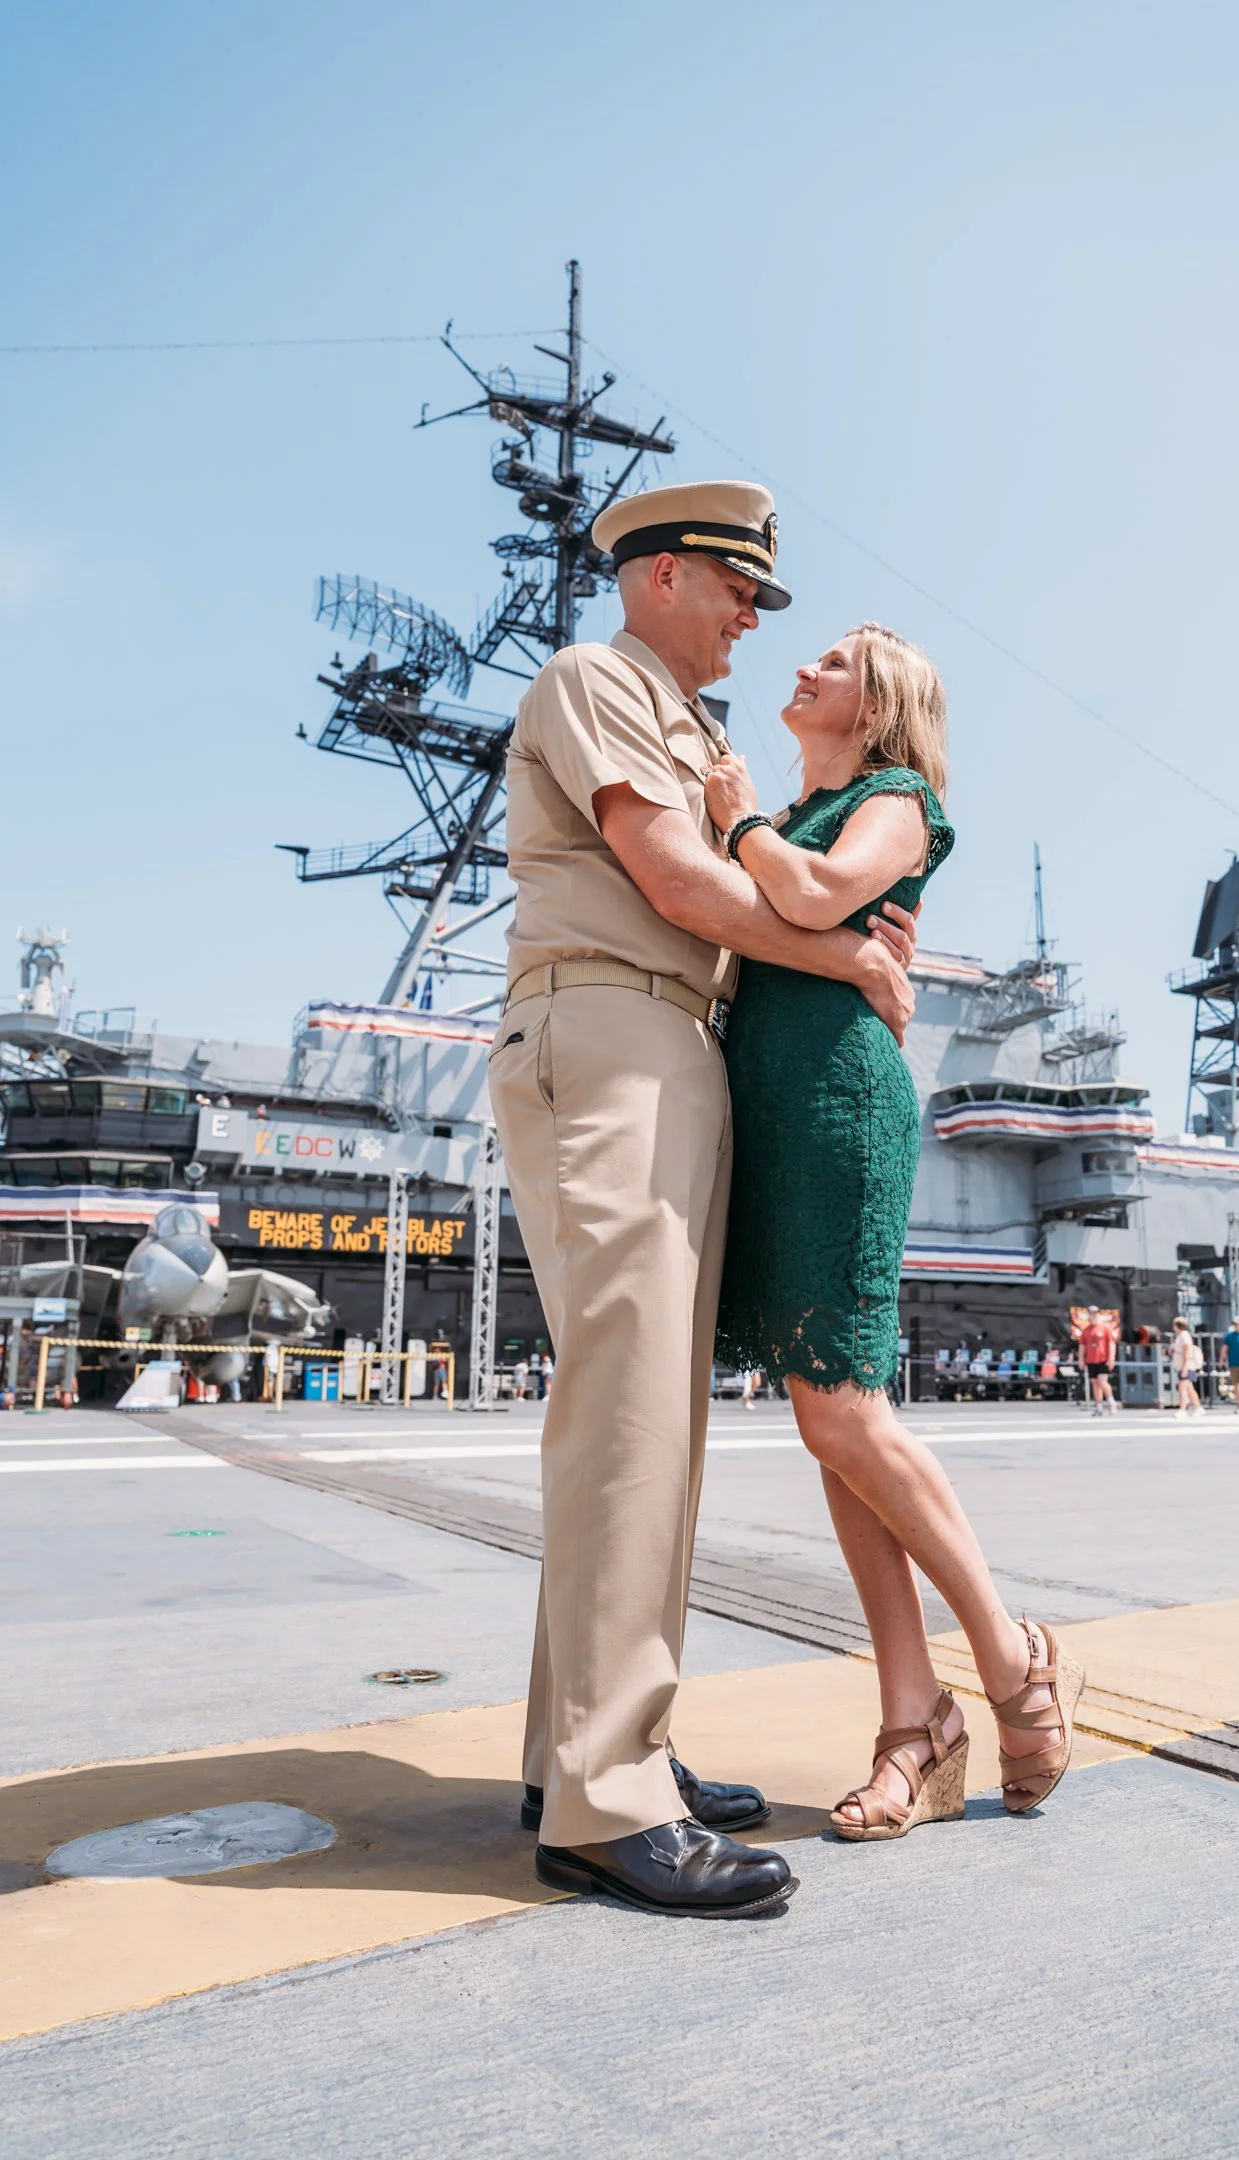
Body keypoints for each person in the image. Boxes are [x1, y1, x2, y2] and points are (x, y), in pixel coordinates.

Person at [487, 482, 919, 1917]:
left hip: (671, 1043)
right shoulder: (598, 678)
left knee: (647, 1417)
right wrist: (849, 960)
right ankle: (607, 1797)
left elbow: (740, 886)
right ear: (660, 573)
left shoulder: (695, 727)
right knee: (626, 1414)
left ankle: (597, 1759)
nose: (752, 617)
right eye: (738, 590)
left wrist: (831, 920)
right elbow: (675, 879)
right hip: (609, 1028)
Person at [705, 623, 1084, 1842]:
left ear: (877, 709)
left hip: (836, 1110)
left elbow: (812, 891)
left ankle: (1010, 1656)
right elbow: (783, 923)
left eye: (835, 660)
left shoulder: (896, 798)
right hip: (768, 1111)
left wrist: (737, 821)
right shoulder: (806, 810)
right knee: (835, 1433)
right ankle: (914, 1724)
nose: (804, 667)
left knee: (844, 1414)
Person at [1078, 1310, 1119, 1416]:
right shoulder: (1086, 1330)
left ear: (1099, 1315)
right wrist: (1081, 1359)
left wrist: (1111, 1358)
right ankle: (1099, 1406)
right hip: (1091, 1360)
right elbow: (1082, 1346)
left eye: (1096, 1314)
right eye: (1092, 1314)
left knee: (1102, 1381)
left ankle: (1111, 1402)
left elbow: (1111, 1344)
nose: (1094, 1316)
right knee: (1095, 1382)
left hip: (1103, 1359)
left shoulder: (1105, 1329)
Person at [1171, 1317, 1205, 1416]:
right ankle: (1198, 1407)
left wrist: (1185, 1367)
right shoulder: (1181, 1336)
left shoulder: (1184, 1337)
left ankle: (1182, 1409)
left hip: (1186, 1366)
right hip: (1184, 1365)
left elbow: (1186, 1352)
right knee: (1189, 1388)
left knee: (1182, 1387)